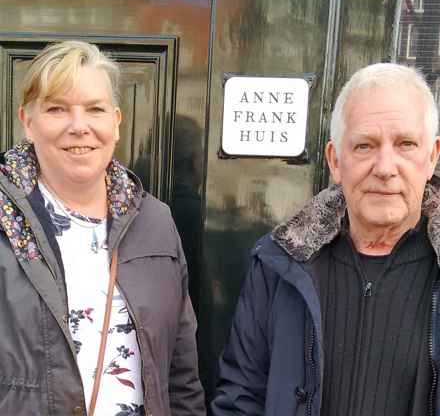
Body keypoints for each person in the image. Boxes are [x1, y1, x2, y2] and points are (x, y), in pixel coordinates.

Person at [211, 63, 440, 416]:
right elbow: (240, 400)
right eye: (365, 145)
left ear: (432, 156)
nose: (385, 167)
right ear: (335, 160)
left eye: (405, 144)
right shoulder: (278, 263)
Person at [0, 40, 205, 416]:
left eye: (94, 109)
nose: (79, 126)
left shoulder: (155, 221)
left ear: (116, 122)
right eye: (57, 108)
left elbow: (180, 372)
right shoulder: (4, 221)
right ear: (28, 122)